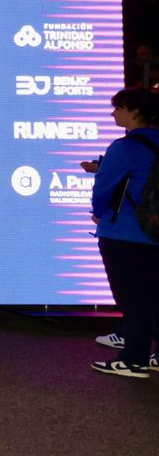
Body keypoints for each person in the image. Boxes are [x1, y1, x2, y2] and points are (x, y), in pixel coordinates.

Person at [88, 88, 159, 377]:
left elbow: (104, 189)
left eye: (118, 108)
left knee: (133, 300)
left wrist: (98, 212)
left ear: (135, 112)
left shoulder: (124, 147)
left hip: (124, 232)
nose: (113, 113)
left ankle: (134, 359)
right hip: (154, 232)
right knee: (154, 297)